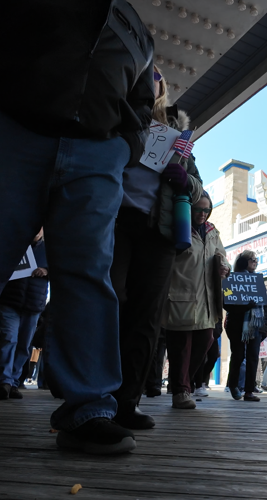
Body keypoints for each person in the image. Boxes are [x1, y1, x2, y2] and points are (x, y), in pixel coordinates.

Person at [0, 1, 154, 454]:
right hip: (7, 129)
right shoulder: (135, 27)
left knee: (88, 278)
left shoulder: (139, 28)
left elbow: (141, 100)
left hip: (97, 152)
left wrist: (124, 146)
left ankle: (89, 409)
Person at [111, 67, 205, 427]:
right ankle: (94, 392)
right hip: (116, 222)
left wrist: (185, 181)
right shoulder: (115, 119)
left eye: (156, 77)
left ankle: (126, 401)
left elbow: (199, 189)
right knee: (111, 300)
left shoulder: (177, 135)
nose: (151, 81)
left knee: (147, 317)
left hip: (158, 231)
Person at [161, 192, 229, 409]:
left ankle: (181, 384)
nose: (202, 214)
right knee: (181, 346)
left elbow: (222, 254)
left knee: (206, 341)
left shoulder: (212, 232)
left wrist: (224, 266)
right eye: (198, 209)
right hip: (181, 295)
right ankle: (181, 390)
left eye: (206, 210)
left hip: (208, 300)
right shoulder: (177, 228)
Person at [0, 230, 49, 401]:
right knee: (9, 339)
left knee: (24, 344)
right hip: (9, 300)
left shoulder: (49, 249)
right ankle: (4, 381)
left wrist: (46, 270)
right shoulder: (11, 245)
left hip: (33, 303)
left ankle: (14, 381)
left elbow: (63, 269)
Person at [223, 251, 267, 402]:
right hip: (236, 323)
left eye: (256, 260)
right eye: (252, 259)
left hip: (255, 324)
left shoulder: (258, 281)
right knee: (239, 355)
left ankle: (249, 390)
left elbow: (264, 304)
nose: (255, 262)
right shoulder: (231, 280)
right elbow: (226, 303)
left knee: (253, 356)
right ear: (243, 262)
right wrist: (244, 307)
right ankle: (234, 385)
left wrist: (264, 327)